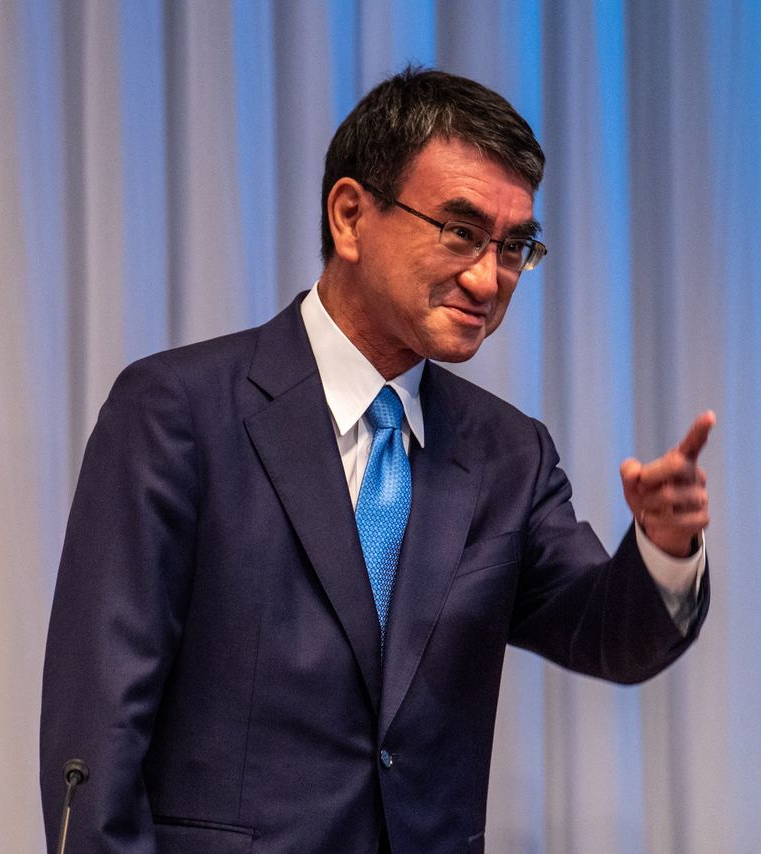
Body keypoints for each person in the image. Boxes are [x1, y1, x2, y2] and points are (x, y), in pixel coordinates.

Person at [41, 67, 712, 854]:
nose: (487, 278)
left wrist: (665, 549)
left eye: (514, 247)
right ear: (352, 216)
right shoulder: (177, 412)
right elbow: (98, 725)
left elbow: (609, 635)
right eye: (460, 232)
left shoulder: (507, 454)